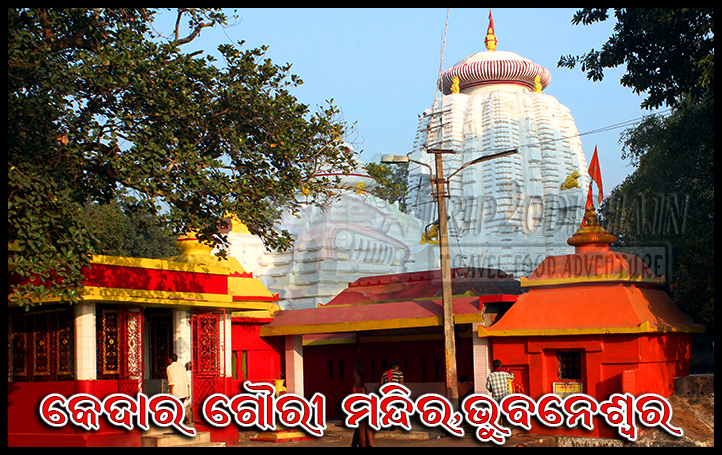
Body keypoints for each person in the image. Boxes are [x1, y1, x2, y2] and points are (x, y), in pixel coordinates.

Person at [166, 353, 192, 424]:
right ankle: (183, 420)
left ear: (170, 360)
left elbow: (172, 381)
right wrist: (189, 392)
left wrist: (171, 392)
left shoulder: (170, 368)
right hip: (184, 390)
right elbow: (187, 380)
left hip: (176, 391)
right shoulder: (182, 367)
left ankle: (183, 420)